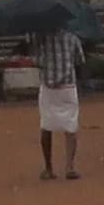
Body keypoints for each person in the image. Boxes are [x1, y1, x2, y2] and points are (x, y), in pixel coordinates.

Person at [30, 10, 90, 181]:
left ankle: (48, 168)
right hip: (68, 87)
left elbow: (37, 61)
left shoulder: (41, 39)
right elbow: (80, 61)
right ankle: (70, 166)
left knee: (46, 126)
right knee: (70, 126)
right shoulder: (73, 39)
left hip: (49, 88)